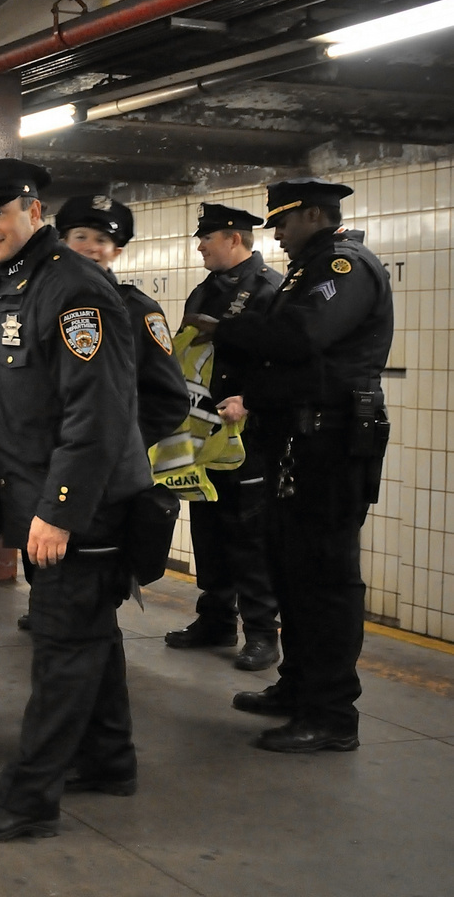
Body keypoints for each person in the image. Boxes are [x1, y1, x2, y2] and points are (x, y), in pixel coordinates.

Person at [0, 159, 154, 843]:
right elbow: (3, 403)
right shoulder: (2, 279)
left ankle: (30, 795)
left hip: (78, 507)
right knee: (89, 634)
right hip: (34, 498)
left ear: (33, 210)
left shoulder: (72, 287)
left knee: (64, 645)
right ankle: (108, 757)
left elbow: (94, 415)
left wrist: (58, 509)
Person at [186, 178, 392, 753]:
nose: (274, 232)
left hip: (330, 442)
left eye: (283, 220)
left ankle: (330, 714)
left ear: (315, 215)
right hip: (298, 439)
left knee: (325, 577)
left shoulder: (344, 267)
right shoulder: (310, 268)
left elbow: (301, 334)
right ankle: (299, 686)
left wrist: (229, 330)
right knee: (292, 567)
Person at [167, 203, 283, 671]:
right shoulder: (206, 289)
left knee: (248, 533)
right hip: (204, 431)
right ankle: (215, 619)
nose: (199, 246)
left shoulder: (269, 289)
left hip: (247, 434)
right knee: (209, 529)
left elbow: (282, 359)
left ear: (233, 238)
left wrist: (249, 399)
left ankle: (261, 633)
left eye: (206, 238)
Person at [56, 195, 190, 448]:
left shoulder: (139, 311)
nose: (90, 247)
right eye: (81, 237)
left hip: (110, 472)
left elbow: (169, 400)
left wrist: (120, 446)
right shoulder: (37, 302)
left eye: (102, 240)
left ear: (116, 251)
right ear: (62, 243)